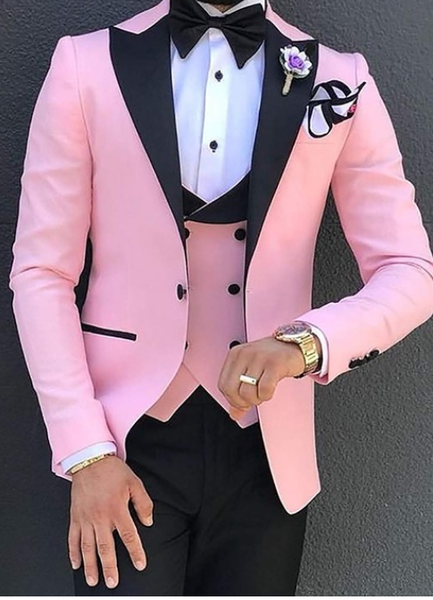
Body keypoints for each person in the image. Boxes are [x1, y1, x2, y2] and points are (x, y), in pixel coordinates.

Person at [8, 0, 433, 595]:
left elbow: (409, 270)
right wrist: (85, 452)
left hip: (268, 450)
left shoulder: (341, 78)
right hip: (123, 444)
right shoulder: (86, 64)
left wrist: (305, 345)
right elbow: (42, 272)